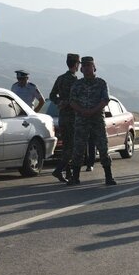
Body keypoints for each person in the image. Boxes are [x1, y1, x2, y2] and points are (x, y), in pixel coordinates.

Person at [67, 56, 116, 186]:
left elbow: (105, 100)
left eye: (89, 66)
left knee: (103, 147)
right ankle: (75, 177)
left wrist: (93, 110)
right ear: (81, 69)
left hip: (97, 120)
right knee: (78, 148)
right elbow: (72, 101)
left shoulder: (101, 83)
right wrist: (83, 111)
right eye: (84, 66)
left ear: (94, 67)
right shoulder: (77, 84)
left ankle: (109, 177)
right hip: (81, 120)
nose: (87, 68)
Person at [49, 53, 81, 183]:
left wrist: (59, 102)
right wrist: (67, 103)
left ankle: (67, 173)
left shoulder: (60, 78)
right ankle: (59, 170)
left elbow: (52, 95)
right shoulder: (75, 81)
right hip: (72, 117)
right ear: (76, 64)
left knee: (67, 146)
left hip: (62, 116)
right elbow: (77, 98)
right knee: (72, 147)